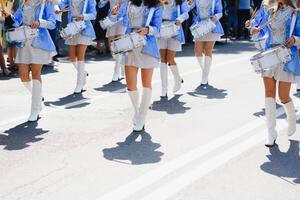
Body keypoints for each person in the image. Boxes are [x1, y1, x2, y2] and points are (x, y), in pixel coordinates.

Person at [250, 0, 300, 147]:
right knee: (269, 93)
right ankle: (271, 131)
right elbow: (262, 30)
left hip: (285, 56)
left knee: (283, 96)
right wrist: (255, 30)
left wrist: (295, 39)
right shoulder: (269, 10)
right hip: (268, 55)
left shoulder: (295, 12)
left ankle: (291, 118)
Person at [111, 0, 162, 132]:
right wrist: (113, 14)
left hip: (147, 46)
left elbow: (157, 29)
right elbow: (117, 19)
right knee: (130, 85)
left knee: (146, 84)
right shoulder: (129, 3)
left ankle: (141, 117)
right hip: (130, 45)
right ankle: (137, 112)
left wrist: (148, 30)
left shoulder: (155, 6)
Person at [3, 0, 56, 122]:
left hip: (40, 42)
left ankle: (35, 109)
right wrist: (9, 17)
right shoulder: (23, 3)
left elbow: (53, 23)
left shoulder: (46, 3)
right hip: (23, 42)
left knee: (36, 74)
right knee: (23, 77)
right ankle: (38, 97)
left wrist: (40, 22)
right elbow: (16, 23)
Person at [59, 0, 96, 94]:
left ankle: (79, 84)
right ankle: (82, 72)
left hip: (84, 28)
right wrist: (57, 8)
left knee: (80, 56)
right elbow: (61, 4)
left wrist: (83, 16)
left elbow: (93, 14)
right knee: (72, 57)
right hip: (72, 28)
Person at [189, 0, 224, 86]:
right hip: (200, 26)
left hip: (211, 25)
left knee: (208, 50)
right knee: (198, 52)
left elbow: (220, 12)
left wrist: (216, 17)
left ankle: (204, 78)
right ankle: (205, 71)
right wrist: (188, 4)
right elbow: (187, 8)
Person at [158, 0, 189, 98]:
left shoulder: (181, 1)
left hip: (175, 29)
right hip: (161, 30)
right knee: (162, 60)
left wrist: (180, 19)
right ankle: (164, 88)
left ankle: (177, 79)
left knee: (170, 59)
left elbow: (186, 13)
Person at [99, 0, 127, 82]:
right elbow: (100, 5)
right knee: (113, 49)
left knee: (119, 45)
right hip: (112, 19)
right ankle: (121, 63)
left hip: (123, 20)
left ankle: (116, 72)